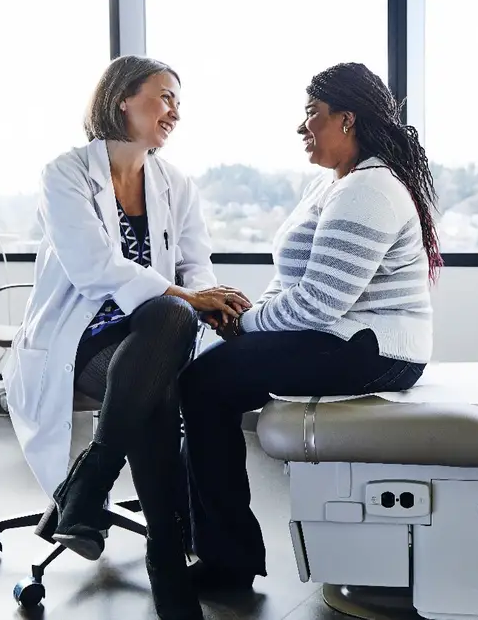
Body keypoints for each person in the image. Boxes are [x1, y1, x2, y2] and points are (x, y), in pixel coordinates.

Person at [2, 55, 250, 620]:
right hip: (81, 337)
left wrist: (208, 297)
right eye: (165, 97)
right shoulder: (66, 173)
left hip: (152, 335)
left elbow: (196, 263)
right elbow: (93, 267)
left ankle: (93, 480)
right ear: (122, 100)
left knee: (166, 326)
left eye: (179, 102)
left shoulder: (176, 183)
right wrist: (189, 298)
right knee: (160, 356)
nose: (175, 112)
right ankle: (166, 553)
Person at [178, 62, 442, 590]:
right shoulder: (330, 186)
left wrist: (244, 325)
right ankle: (213, 545)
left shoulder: (370, 190)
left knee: (203, 383)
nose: (302, 127)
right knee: (206, 377)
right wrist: (244, 317)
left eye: (311, 114)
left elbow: (319, 303)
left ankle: (226, 561)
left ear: (347, 119)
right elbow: (291, 284)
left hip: (373, 348)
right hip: (342, 338)